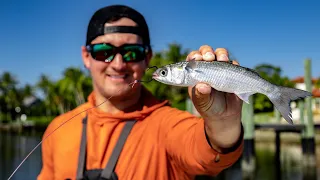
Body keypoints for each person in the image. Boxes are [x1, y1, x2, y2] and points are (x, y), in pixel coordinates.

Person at [37, 4, 244, 180]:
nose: (118, 64)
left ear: (147, 57)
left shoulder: (167, 125)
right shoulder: (58, 130)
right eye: (104, 52)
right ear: (86, 56)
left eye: (132, 53)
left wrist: (222, 126)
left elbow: (204, 153)